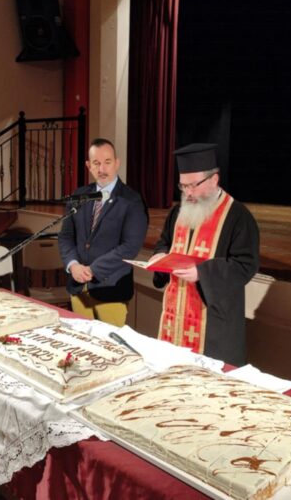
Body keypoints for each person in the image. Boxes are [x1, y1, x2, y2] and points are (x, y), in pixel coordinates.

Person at [151, 143, 260, 366]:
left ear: (214, 179)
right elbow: (165, 242)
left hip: (214, 324)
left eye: (194, 185)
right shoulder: (178, 211)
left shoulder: (238, 217)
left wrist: (201, 273)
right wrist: (160, 256)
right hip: (176, 318)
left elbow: (245, 265)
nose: (188, 193)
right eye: (183, 186)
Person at [58, 138, 148, 327]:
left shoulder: (131, 200)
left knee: (109, 344)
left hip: (111, 289)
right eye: (96, 163)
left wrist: (93, 270)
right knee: (81, 341)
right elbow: (66, 236)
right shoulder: (79, 195)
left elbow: (130, 247)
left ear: (117, 163)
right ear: (88, 166)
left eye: (107, 162)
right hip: (78, 286)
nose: (102, 169)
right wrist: (73, 265)